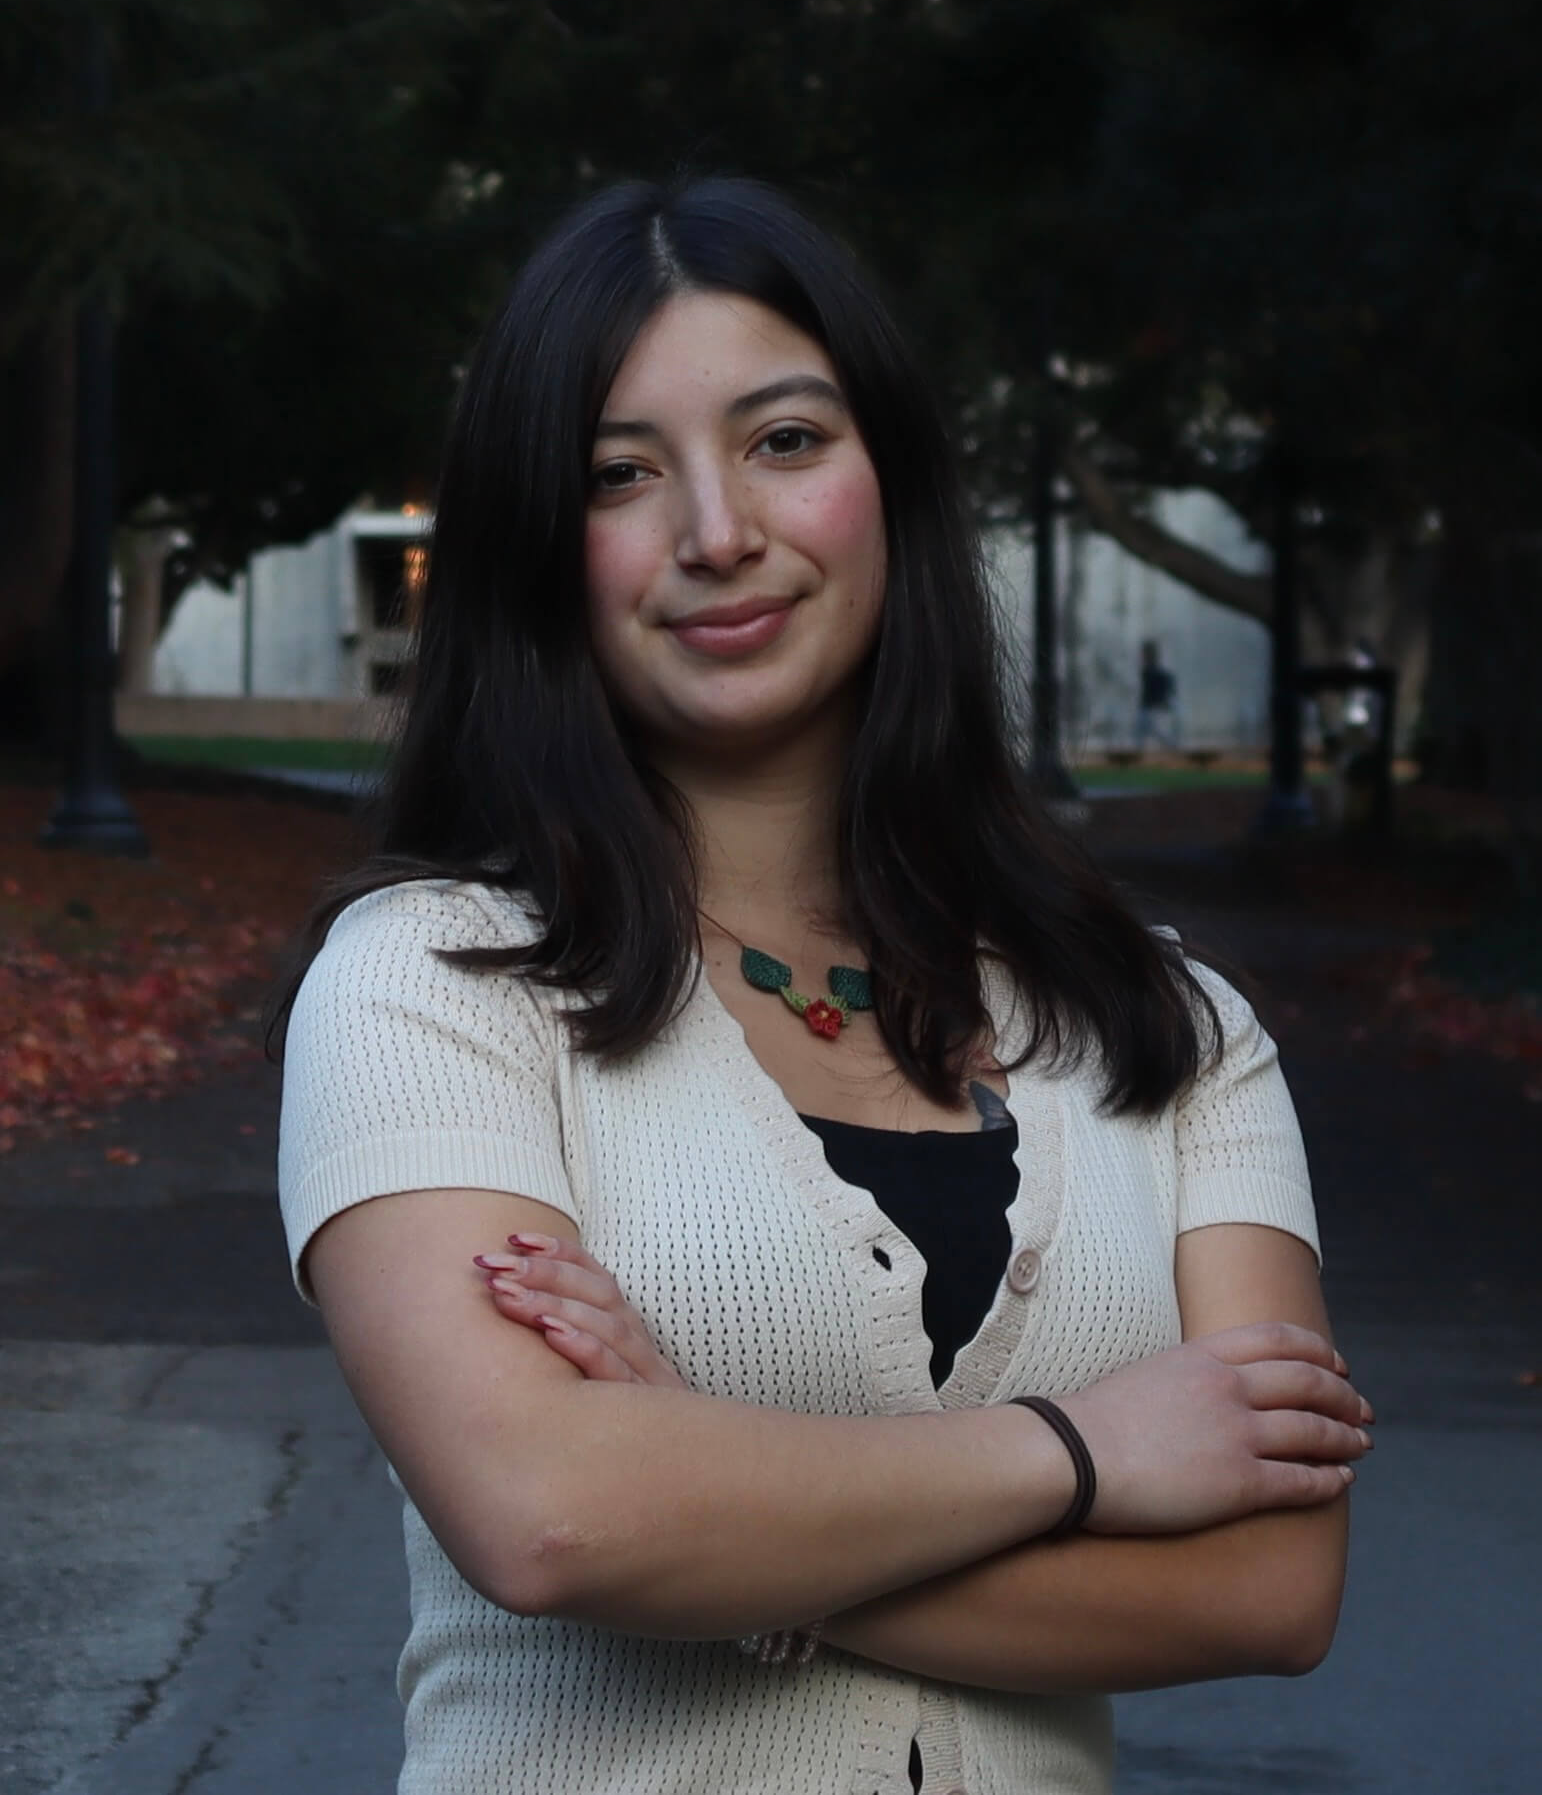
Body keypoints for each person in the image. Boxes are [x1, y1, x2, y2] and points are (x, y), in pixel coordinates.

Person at [274, 177, 1371, 1795]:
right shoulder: (434, 985)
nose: (717, 531)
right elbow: (553, 1516)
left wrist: (710, 1499)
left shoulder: (1169, 1027)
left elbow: (1269, 1586)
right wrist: (1085, 1452)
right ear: (537, 548)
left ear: (893, 481)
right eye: (617, 473)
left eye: (784, 439)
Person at [1134, 639, 1181, 753]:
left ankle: (1173, 747)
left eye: (1145, 653)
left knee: (1156, 734)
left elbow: (1168, 690)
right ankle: (1172, 747)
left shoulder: (1153, 672)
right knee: (1147, 734)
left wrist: (1163, 703)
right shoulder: (1150, 671)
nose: (1142, 656)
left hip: (1152, 711)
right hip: (1149, 710)